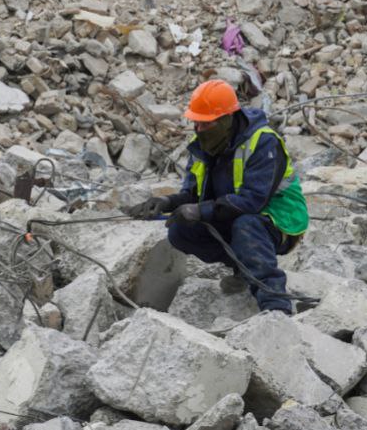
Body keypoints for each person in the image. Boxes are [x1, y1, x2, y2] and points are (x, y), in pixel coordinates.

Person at [127, 79, 308, 314]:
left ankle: (276, 306)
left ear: (227, 119)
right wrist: (167, 202)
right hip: (231, 213)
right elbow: (193, 194)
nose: (199, 130)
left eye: (206, 124)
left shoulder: (263, 142)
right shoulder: (203, 147)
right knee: (180, 232)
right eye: (197, 124)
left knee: (246, 225)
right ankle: (243, 268)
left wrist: (200, 211)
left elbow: (253, 201)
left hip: (279, 221)